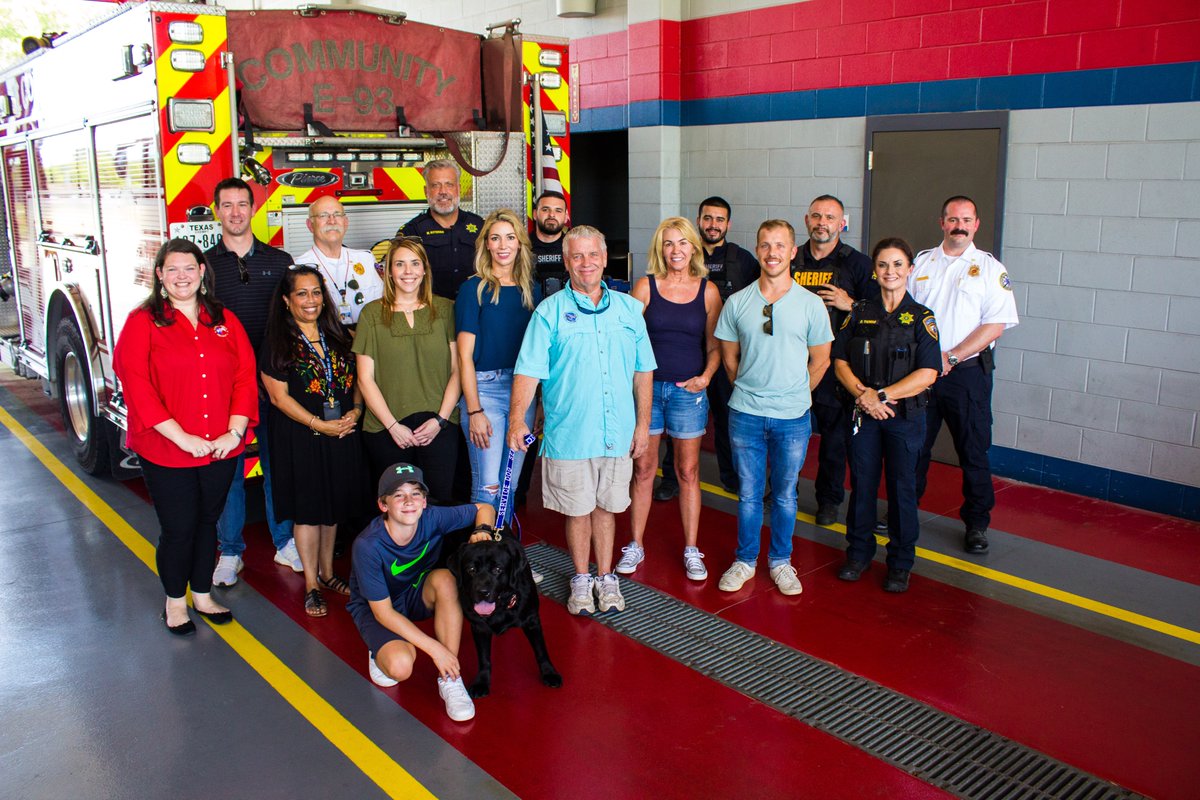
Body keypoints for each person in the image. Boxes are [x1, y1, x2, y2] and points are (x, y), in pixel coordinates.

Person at [509, 225, 656, 615]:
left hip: (616, 432)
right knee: (577, 510)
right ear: (566, 261)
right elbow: (528, 371)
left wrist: (642, 425)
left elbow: (643, 371)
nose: (586, 263)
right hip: (570, 433)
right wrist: (516, 420)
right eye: (577, 256)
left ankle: (605, 576)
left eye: (593, 255)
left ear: (605, 259)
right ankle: (580, 577)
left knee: (606, 508)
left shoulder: (629, 310)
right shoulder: (549, 312)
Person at [113, 239, 257, 634]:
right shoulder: (142, 322)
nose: (182, 276)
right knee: (179, 528)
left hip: (220, 447)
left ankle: (203, 594)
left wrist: (235, 431)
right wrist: (182, 438)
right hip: (166, 449)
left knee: (207, 523)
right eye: (172, 269)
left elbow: (245, 376)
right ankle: (175, 602)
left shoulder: (223, 319)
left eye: (189, 268)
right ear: (159, 274)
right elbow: (136, 384)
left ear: (202, 272)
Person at [714, 220, 832, 596]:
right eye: (765, 245)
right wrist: (753, 390)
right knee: (749, 494)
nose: (772, 253)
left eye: (780, 245)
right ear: (757, 250)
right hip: (745, 414)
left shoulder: (811, 304)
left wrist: (794, 394)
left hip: (793, 418)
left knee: (785, 494)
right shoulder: (737, 302)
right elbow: (729, 359)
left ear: (793, 252)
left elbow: (821, 361)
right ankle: (745, 560)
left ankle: (781, 561)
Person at [910, 196, 1019, 555]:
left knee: (973, 451)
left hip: (967, 375)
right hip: (922, 374)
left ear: (976, 225)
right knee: (913, 448)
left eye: (966, 220)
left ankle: (976, 523)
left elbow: (995, 325)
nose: (959, 226)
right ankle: (903, 510)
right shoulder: (921, 263)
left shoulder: (989, 269)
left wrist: (952, 356)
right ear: (942, 223)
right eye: (953, 219)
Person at [348, 463, 497, 721]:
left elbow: (485, 508)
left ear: (425, 501)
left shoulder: (432, 517)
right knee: (400, 666)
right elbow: (383, 613)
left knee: (446, 579)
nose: (409, 501)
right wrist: (435, 649)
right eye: (398, 495)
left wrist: (482, 531)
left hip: (414, 591)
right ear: (383, 505)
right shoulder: (368, 545)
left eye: (415, 493)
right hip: (378, 608)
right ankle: (378, 649)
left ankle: (450, 678)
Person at [205, 177, 298, 587]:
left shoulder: (280, 261)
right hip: (226, 387)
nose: (235, 213)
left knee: (279, 464)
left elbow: (292, 321)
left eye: (242, 204)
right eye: (227, 205)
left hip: (274, 382)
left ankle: (285, 541)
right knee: (230, 468)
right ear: (217, 211)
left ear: (253, 208)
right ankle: (230, 552)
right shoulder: (204, 266)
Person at [832, 238, 941, 593]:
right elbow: (840, 361)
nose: (889, 271)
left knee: (902, 489)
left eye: (897, 265)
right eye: (882, 265)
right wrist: (863, 396)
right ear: (874, 271)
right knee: (862, 485)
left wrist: (880, 396)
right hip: (864, 413)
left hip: (904, 417)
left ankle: (900, 563)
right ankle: (858, 554)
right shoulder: (859, 312)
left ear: (909, 270)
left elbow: (928, 373)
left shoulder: (922, 317)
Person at [618, 218, 721, 581]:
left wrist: (706, 378)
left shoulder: (708, 292)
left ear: (693, 247)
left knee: (687, 471)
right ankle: (635, 543)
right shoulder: (645, 287)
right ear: (660, 249)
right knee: (643, 470)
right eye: (668, 243)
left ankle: (692, 548)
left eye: (682, 243)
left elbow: (714, 346)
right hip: (648, 392)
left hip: (687, 394)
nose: (675, 250)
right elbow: (625, 338)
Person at [260, 266, 367, 617]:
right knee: (308, 512)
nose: (311, 300)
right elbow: (279, 398)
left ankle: (328, 573)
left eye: (316, 292)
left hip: (340, 433)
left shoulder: (338, 334)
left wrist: (355, 411)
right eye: (302, 293)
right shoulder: (277, 342)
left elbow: (357, 379)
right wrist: (318, 424)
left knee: (331, 508)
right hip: (300, 436)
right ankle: (311, 585)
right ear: (287, 300)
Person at [655, 196, 759, 500]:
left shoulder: (743, 260)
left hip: (723, 353)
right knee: (676, 423)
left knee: (727, 419)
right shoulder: (682, 252)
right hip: (686, 354)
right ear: (699, 221)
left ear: (728, 224)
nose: (713, 225)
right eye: (708, 218)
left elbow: (760, 295)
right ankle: (671, 478)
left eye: (720, 219)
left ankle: (731, 477)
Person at [791, 195, 879, 527]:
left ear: (842, 224)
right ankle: (783, 491)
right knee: (787, 435)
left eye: (830, 217)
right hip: (792, 364)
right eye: (816, 216)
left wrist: (850, 304)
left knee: (833, 441)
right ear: (806, 220)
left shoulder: (859, 264)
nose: (822, 223)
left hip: (834, 368)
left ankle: (828, 501)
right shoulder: (790, 258)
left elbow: (880, 315)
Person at [354, 237, 461, 503]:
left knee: (438, 502)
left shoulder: (446, 309)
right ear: (389, 271)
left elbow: (458, 370)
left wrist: (440, 421)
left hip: (438, 425)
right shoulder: (371, 314)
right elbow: (365, 379)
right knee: (398, 504)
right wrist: (393, 426)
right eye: (399, 264)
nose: (408, 271)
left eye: (415, 263)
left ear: (425, 269)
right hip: (387, 428)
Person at [455, 209, 539, 519]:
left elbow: (538, 354)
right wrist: (474, 411)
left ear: (519, 244)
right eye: (495, 238)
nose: (503, 245)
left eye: (510, 237)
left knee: (510, 484)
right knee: (487, 486)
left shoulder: (531, 291)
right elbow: (464, 357)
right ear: (486, 244)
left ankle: (502, 547)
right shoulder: (473, 289)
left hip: (523, 392)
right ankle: (484, 546)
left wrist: (539, 403)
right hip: (485, 391)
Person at [292, 196, 385, 328]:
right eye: (323, 215)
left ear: (345, 222)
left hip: (367, 337)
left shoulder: (366, 259)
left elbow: (383, 305)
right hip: (326, 338)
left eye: (337, 215)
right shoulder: (299, 267)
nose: (332, 221)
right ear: (310, 225)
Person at [399, 159, 484, 299]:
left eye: (449, 184)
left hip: (474, 305)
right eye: (435, 185)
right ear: (426, 191)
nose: (443, 191)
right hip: (431, 308)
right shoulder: (412, 232)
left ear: (459, 189)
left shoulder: (480, 226)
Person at [529, 190, 569, 296]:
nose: (551, 215)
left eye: (558, 210)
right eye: (545, 209)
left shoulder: (574, 247)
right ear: (535, 214)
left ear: (566, 216)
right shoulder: (521, 246)